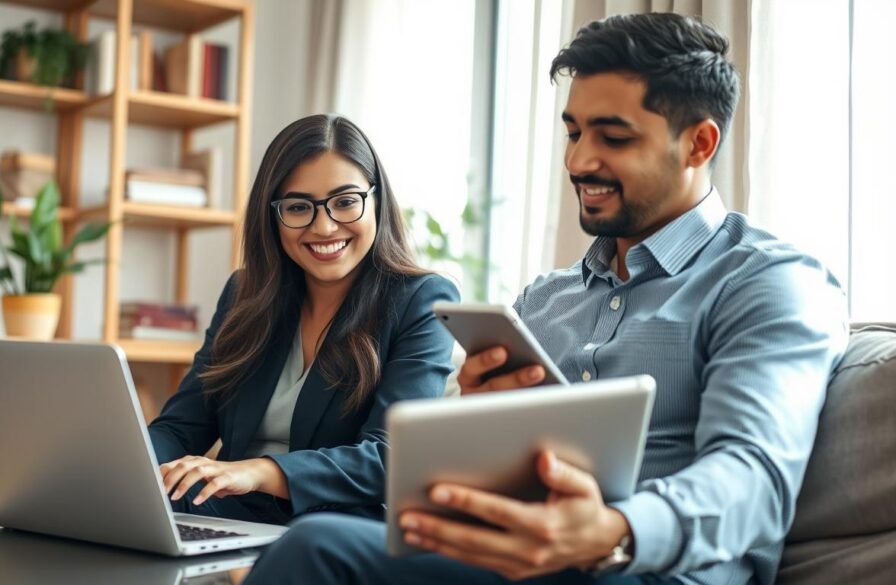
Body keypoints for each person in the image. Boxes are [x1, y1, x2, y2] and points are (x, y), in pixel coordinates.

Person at [242, 13, 848, 585]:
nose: (579, 160)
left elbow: (754, 479)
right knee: (311, 538)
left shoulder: (769, 281)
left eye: (612, 137)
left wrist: (611, 531)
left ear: (698, 144)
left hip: (651, 571)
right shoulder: (546, 298)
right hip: (512, 558)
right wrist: (472, 427)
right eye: (574, 131)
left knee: (315, 549)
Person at [147, 114, 459, 525]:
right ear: (272, 216)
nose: (324, 225)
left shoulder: (420, 299)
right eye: (298, 207)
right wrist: (124, 463)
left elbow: (390, 456)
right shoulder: (245, 295)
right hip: (230, 515)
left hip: (331, 526)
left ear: (376, 200)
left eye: (346, 201)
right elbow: (183, 427)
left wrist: (259, 471)